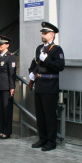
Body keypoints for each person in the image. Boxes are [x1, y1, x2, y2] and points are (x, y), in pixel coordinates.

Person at [28, 21, 65, 152]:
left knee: (50, 116)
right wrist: (31, 73)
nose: (43, 34)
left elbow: (60, 67)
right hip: (39, 86)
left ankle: (51, 141)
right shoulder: (39, 48)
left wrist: (47, 60)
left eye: (45, 33)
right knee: (41, 115)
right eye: (42, 33)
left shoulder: (56, 49)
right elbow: (34, 63)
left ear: (52, 35)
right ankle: (42, 138)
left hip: (50, 87)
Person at [0, 36, 17, 139]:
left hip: (7, 87)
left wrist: (12, 87)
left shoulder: (10, 57)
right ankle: (2, 130)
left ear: (7, 45)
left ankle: (7, 132)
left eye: (2, 44)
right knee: (0, 110)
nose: (0, 46)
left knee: (7, 110)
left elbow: (12, 73)